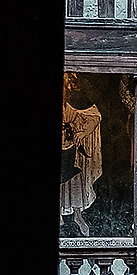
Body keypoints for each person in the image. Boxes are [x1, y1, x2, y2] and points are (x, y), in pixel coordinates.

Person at [60, 73, 102, 236]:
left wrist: (83, 132)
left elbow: (94, 116)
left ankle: (77, 215)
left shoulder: (77, 98)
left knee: (74, 177)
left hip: (71, 144)